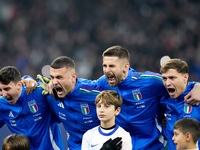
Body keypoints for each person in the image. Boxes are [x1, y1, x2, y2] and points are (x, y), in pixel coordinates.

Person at [25, 46, 200, 150]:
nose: (107, 70)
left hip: (153, 146)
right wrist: (33, 81)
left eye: (111, 66)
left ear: (125, 67)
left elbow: (178, 85)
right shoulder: (103, 83)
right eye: (104, 65)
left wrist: (198, 86)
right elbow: (79, 85)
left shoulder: (150, 82)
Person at [0, 66, 64, 150]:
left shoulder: (41, 92)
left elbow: (64, 113)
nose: (3, 94)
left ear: (19, 84)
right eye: (0, 90)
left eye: (7, 89)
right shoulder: (2, 104)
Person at [160, 58, 200, 150]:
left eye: (172, 78)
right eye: (164, 78)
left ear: (185, 77)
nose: (167, 83)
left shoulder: (197, 97)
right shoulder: (164, 101)